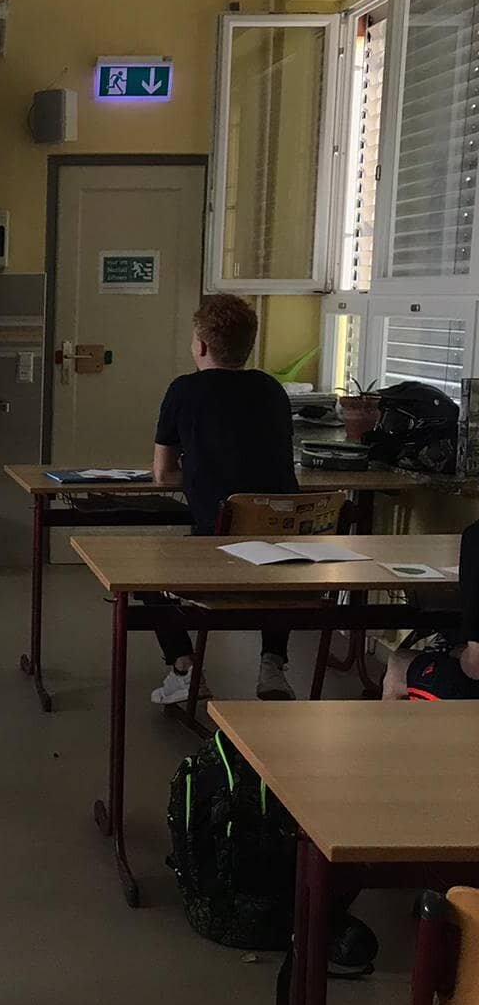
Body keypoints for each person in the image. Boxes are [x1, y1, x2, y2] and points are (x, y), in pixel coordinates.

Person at [148, 294, 299, 705]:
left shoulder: (183, 390)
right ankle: (273, 664)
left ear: (200, 345)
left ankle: (184, 669)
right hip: (283, 548)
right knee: (274, 557)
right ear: (248, 345)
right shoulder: (272, 390)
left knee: (143, 574)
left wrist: (201, 473)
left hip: (216, 544)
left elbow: (163, 474)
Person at [382, 520, 479, 700]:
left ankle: (389, 728)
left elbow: (476, 666)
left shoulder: (475, 538)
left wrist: (456, 652)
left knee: (399, 662)